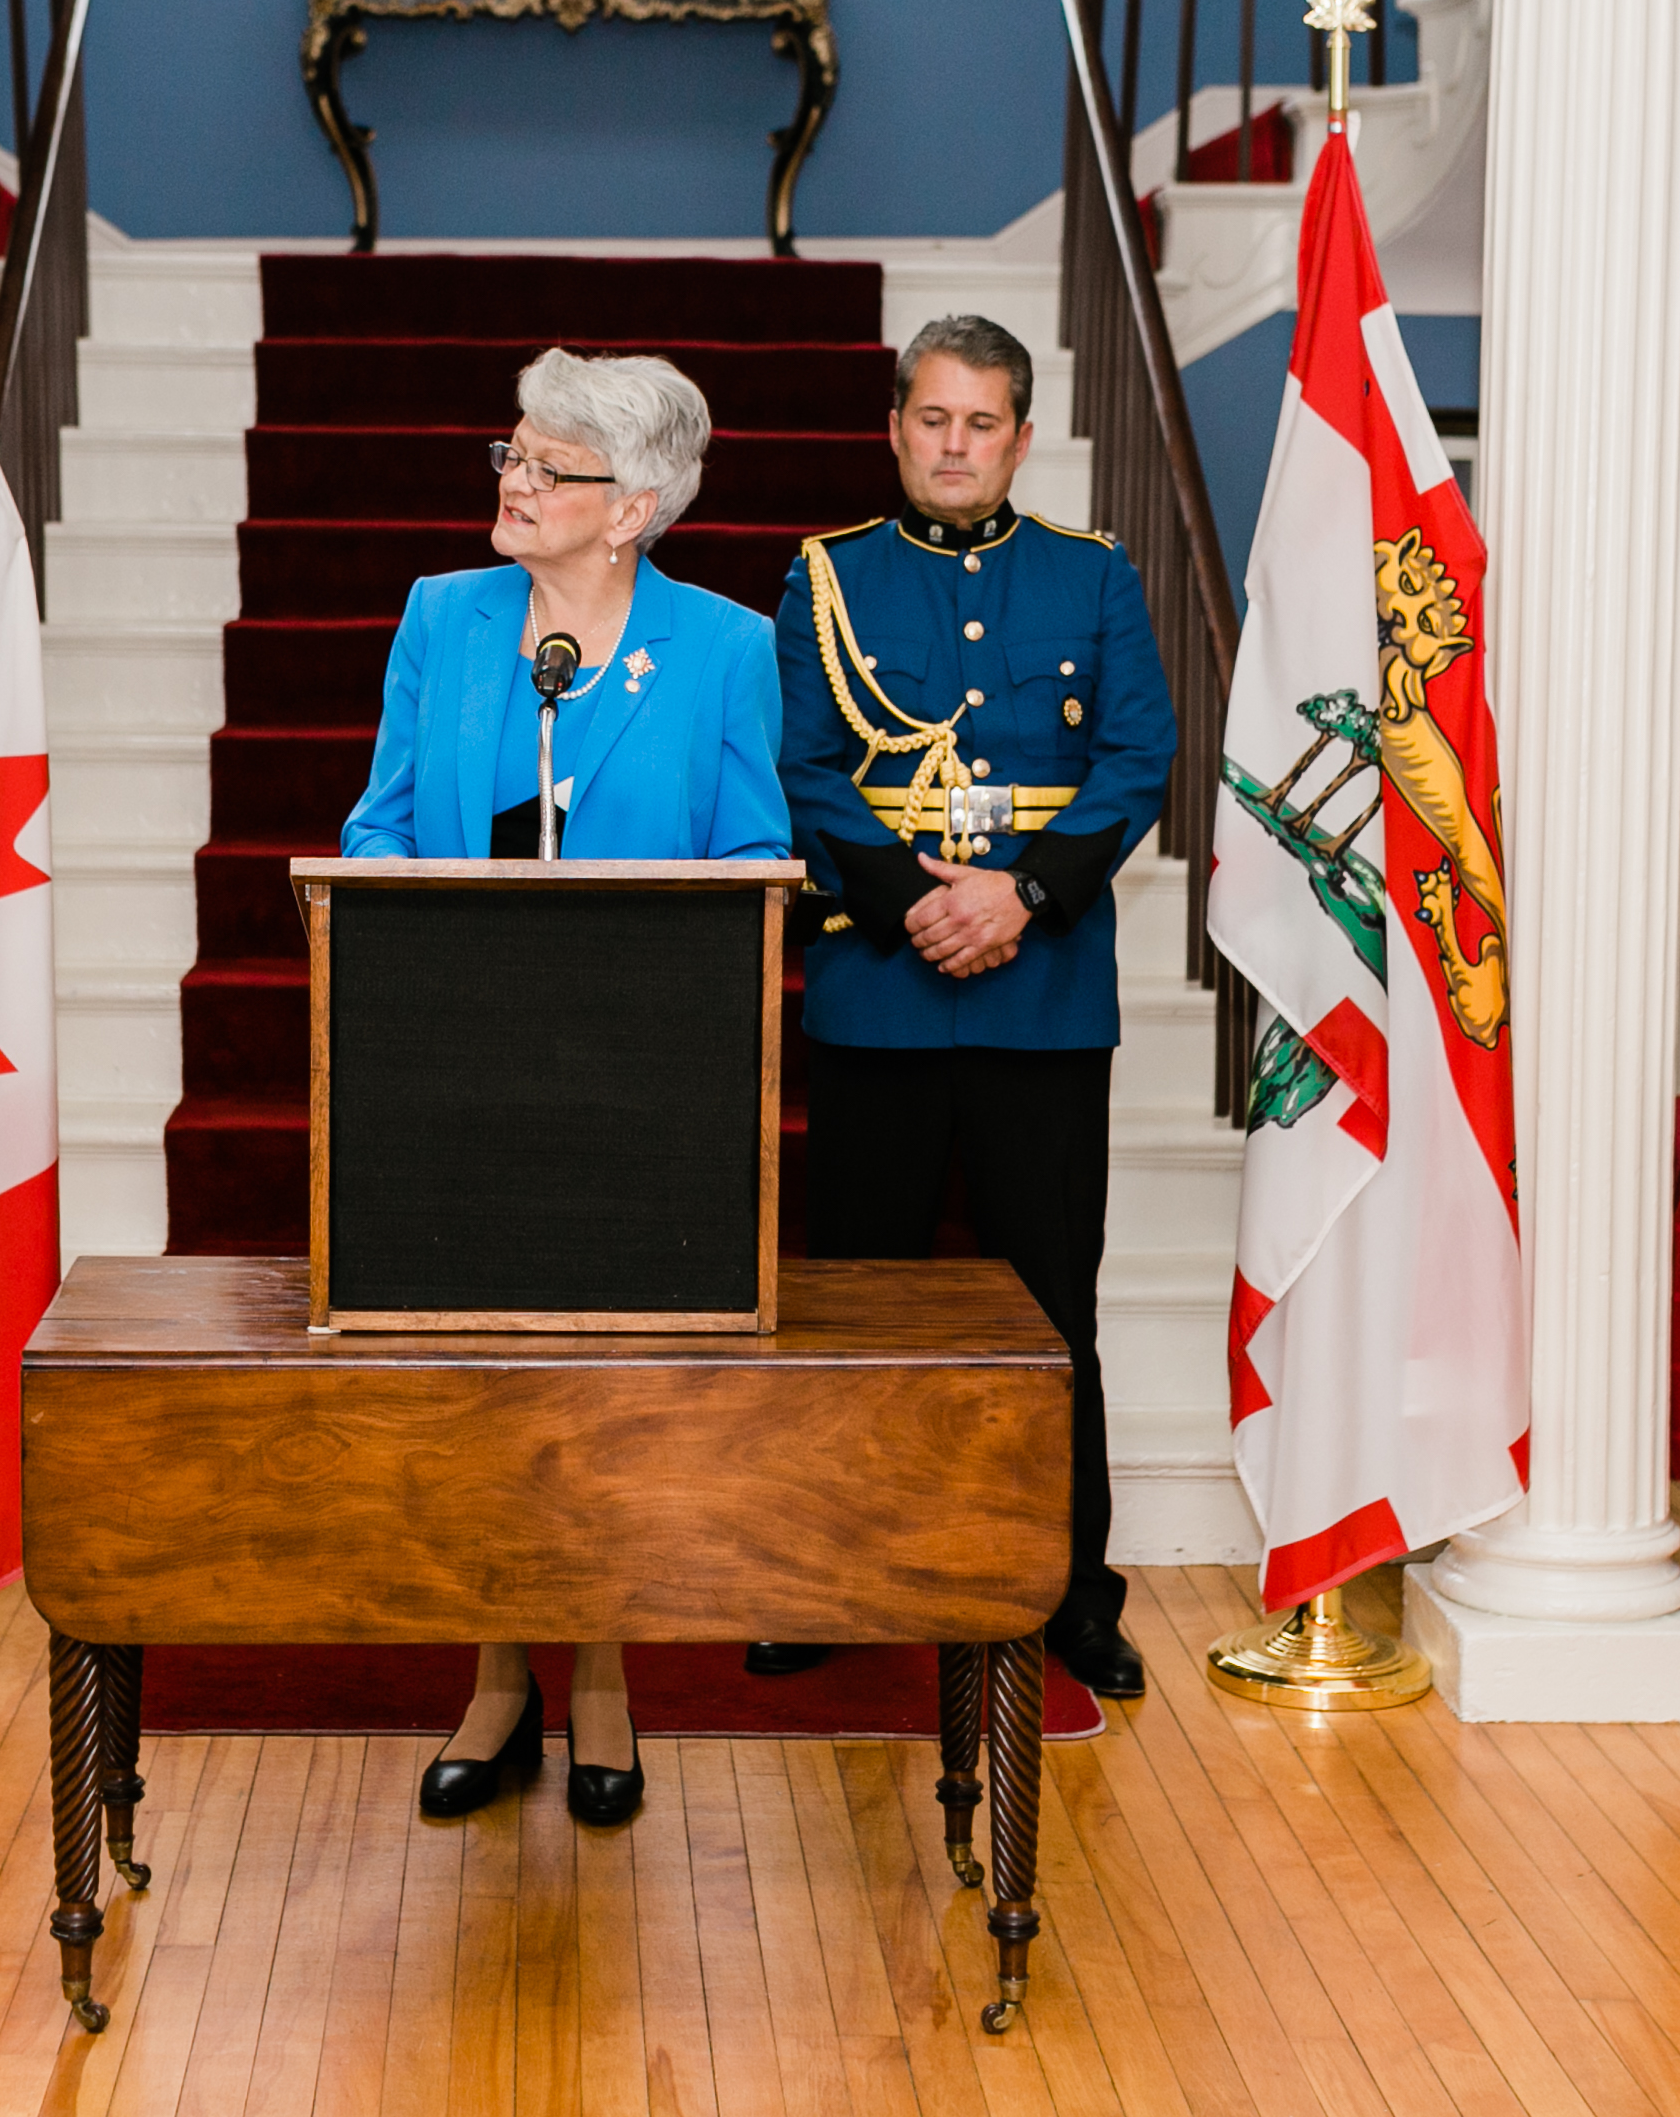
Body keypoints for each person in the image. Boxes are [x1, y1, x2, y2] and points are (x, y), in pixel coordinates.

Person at [340, 344, 790, 1825]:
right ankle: (493, 1673)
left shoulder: (722, 644)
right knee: (483, 1382)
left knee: (605, 1393)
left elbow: (748, 854)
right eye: (511, 456)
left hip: (634, 1080)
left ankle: (599, 1677)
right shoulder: (445, 619)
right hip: (457, 1065)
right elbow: (386, 821)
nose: (514, 483)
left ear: (635, 504)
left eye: (550, 468)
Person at [757, 314, 1175, 1700]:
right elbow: (804, 768)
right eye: (931, 420)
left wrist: (1021, 898)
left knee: (1053, 1309)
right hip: (877, 990)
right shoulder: (825, 581)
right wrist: (906, 904)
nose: (952, 444)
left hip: (1043, 995)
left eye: (979, 422)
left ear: (1019, 433)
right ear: (894, 429)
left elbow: (1137, 757)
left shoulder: (1094, 579)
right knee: (854, 1308)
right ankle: (831, 1575)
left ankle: (1066, 1593)